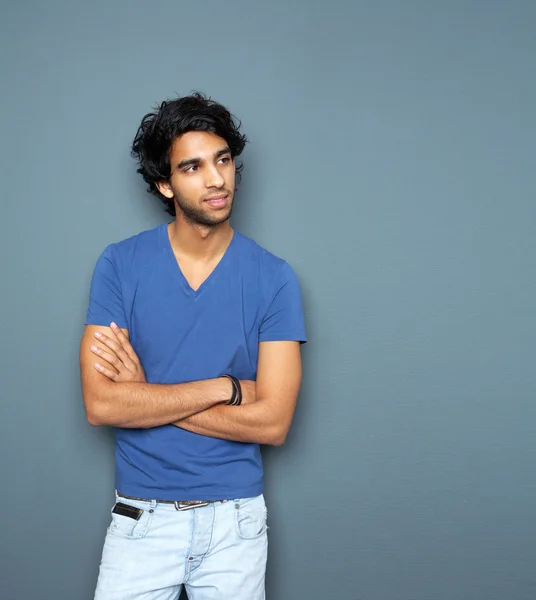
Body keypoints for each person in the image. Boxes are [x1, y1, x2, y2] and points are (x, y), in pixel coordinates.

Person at [79, 92, 306, 600]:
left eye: (223, 160)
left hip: (236, 524)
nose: (216, 179)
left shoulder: (274, 278)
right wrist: (224, 388)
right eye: (193, 167)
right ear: (165, 183)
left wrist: (144, 396)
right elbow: (100, 404)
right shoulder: (120, 265)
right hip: (141, 520)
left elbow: (273, 423)